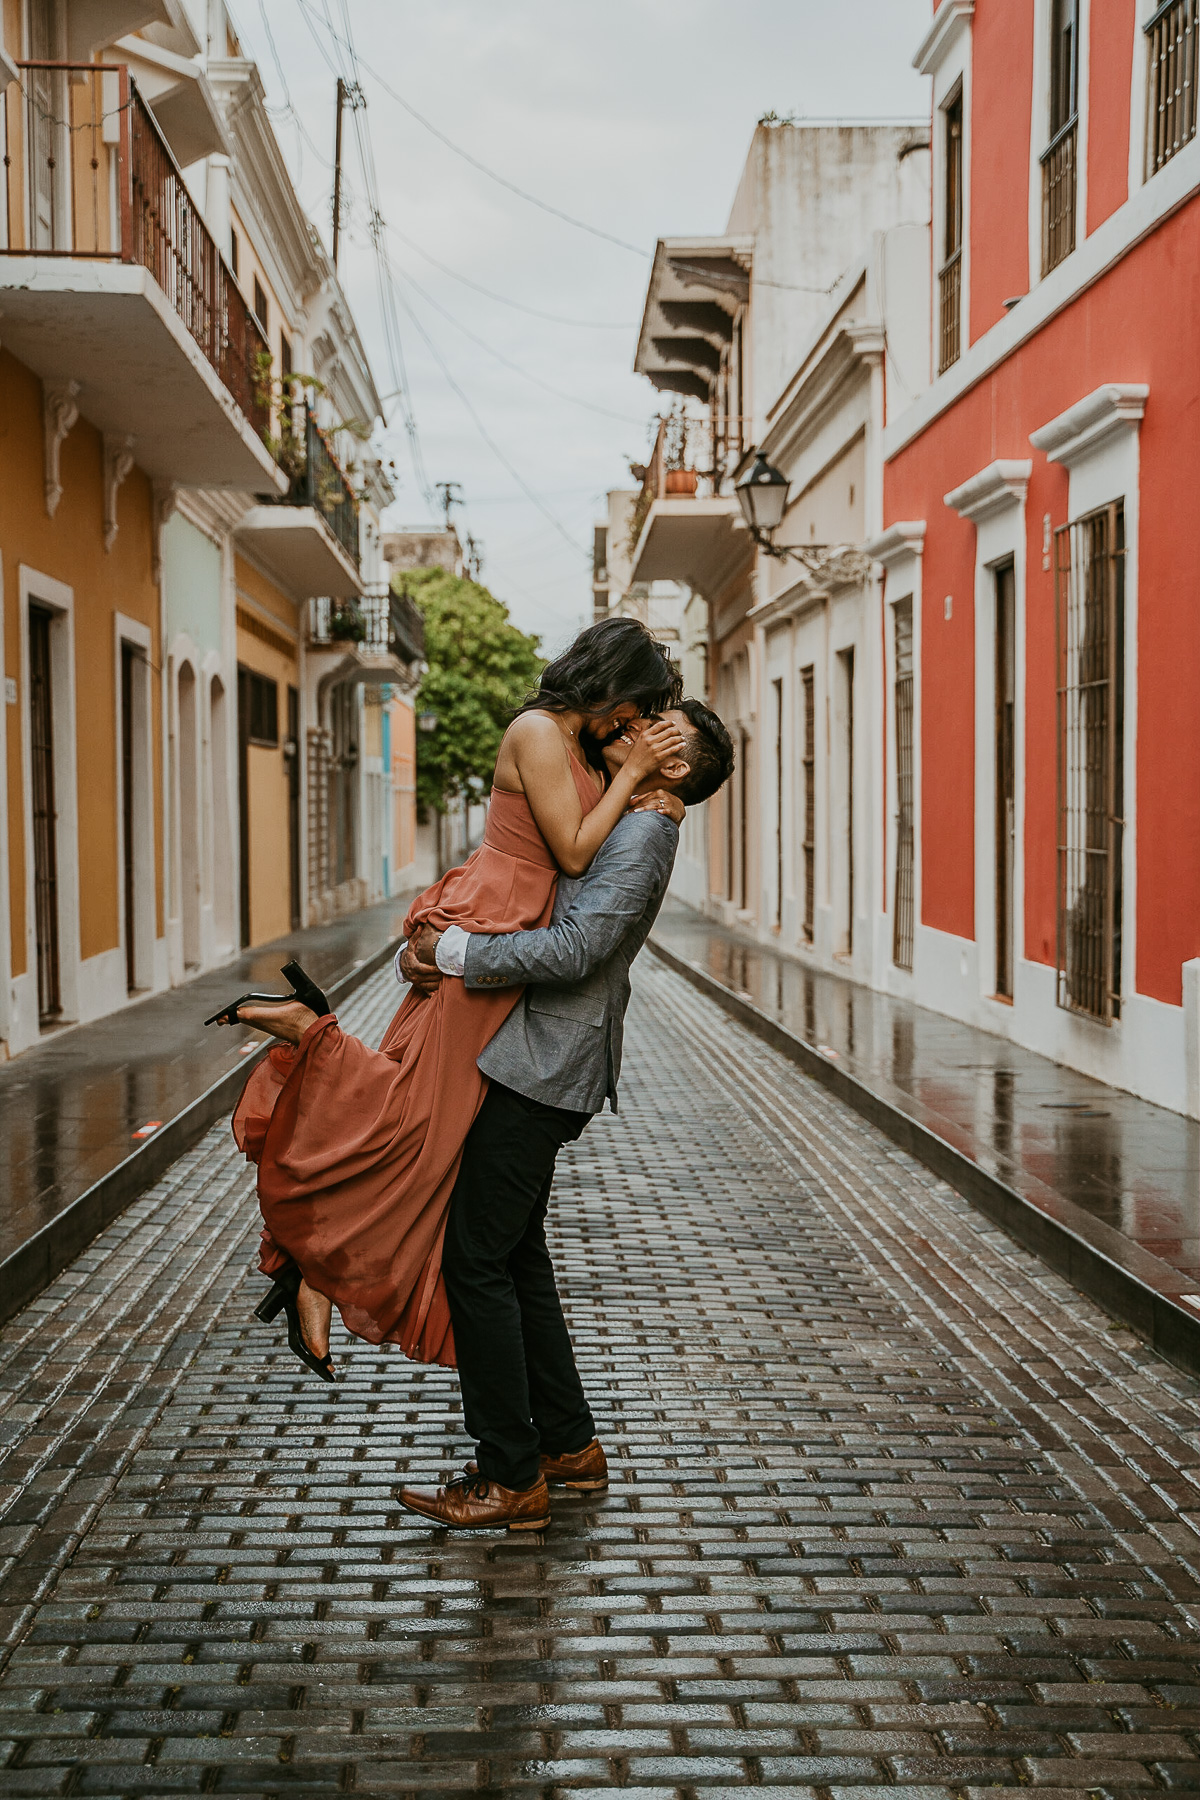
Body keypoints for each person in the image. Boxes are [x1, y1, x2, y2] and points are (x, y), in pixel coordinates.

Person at [222, 619, 686, 1381]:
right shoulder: (538, 730)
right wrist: (636, 779)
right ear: (608, 682)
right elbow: (572, 851)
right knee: (415, 1120)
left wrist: (651, 798)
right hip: (499, 915)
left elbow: (594, 859)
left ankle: (315, 1270)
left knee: (431, 1135)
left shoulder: (583, 749)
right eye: (633, 707)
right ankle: (313, 1242)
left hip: (514, 935)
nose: (633, 726)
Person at [394, 699, 735, 1531]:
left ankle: (511, 1477)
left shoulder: (648, 831)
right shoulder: (631, 808)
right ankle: (568, 1448)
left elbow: (577, 947)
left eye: (650, 731)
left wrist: (455, 951)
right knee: (515, 1258)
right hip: (534, 1057)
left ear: (677, 767)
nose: (625, 733)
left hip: (545, 1068)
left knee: (474, 1260)